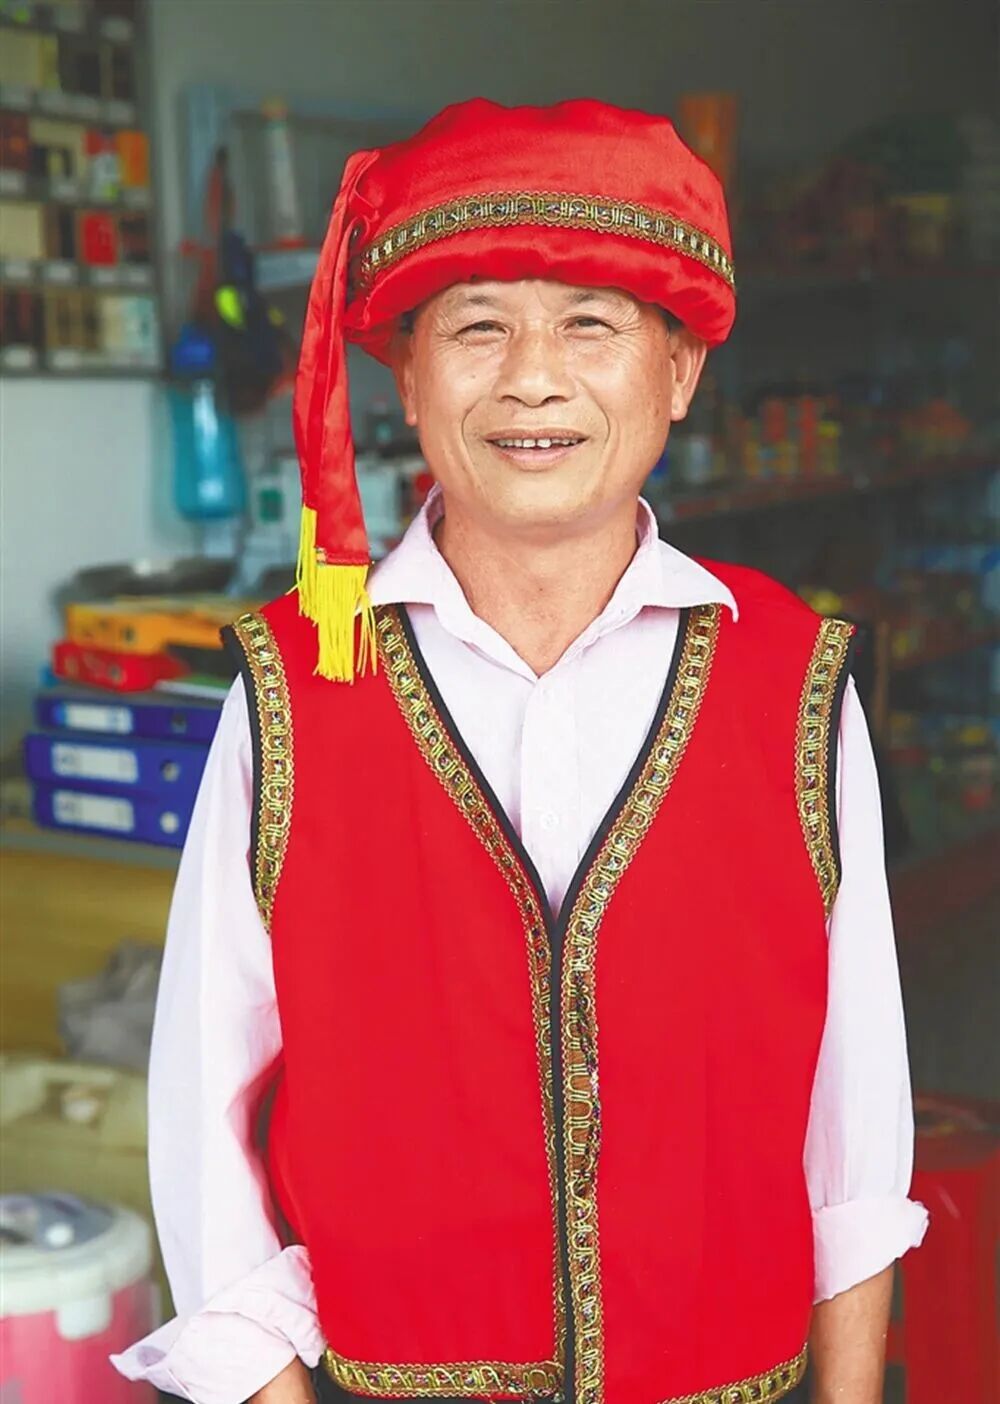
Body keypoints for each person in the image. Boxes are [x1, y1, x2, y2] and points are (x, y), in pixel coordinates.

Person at [111, 98, 927, 1404]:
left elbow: (855, 1109)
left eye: (591, 325)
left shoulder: (794, 682)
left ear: (679, 371)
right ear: (406, 373)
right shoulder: (292, 693)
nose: (533, 379)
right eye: (478, 327)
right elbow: (203, 1118)